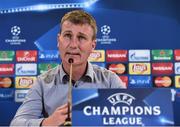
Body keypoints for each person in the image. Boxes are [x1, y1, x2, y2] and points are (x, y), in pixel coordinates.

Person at [10, 10, 126, 126]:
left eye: (81, 37)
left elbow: (130, 120)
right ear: (58, 40)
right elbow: (16, 124)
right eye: (68, 36)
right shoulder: (43, 83)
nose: (73, 45)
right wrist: (47, 123)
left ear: (92, 46)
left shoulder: (110, 80)